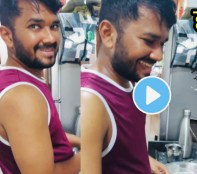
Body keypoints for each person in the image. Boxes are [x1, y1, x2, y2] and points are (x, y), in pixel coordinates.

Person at [80, 0, 176, 173]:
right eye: (148, 41)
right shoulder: (92, 100)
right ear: (108, 34)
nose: (159, 55)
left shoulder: (127, 80)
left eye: (162, 44)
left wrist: (143, 160)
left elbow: (120, 147)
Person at [0, 0, 80, 173]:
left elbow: (42, 133)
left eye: (54, 26)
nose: (50, 38)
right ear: (7, 35)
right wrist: (96, 151)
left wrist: (83, 141)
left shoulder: (19, 79)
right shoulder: (23, 96)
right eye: (35, 26)